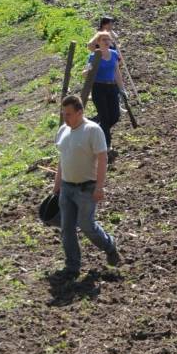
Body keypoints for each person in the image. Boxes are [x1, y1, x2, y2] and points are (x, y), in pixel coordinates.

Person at [53, 94, 120, 281]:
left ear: (80, 112)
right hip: (67, 188)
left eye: (68, 114)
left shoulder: (93, 130)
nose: (65, 118)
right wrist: (57, 183)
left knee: (86, 225)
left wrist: (100, 187)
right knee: (67, 229)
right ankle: (72, 266)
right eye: (63, 114)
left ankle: (109, 246)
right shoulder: (63, 131)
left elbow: (102, 158)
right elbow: (62, 159)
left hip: (86, 188)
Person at [85, 30, 124, 152]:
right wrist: (88, 70)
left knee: (115, 115)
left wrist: (122, 89)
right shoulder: (93, 56)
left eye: (108, 39)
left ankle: (98, 131)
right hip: (98, 88)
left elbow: (117, 72)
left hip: (112, 88)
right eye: (103, 40)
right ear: (98, 42)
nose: (107, 42)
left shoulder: (113, 54)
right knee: (105, 116)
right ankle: (107, 145)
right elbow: (85, 73)